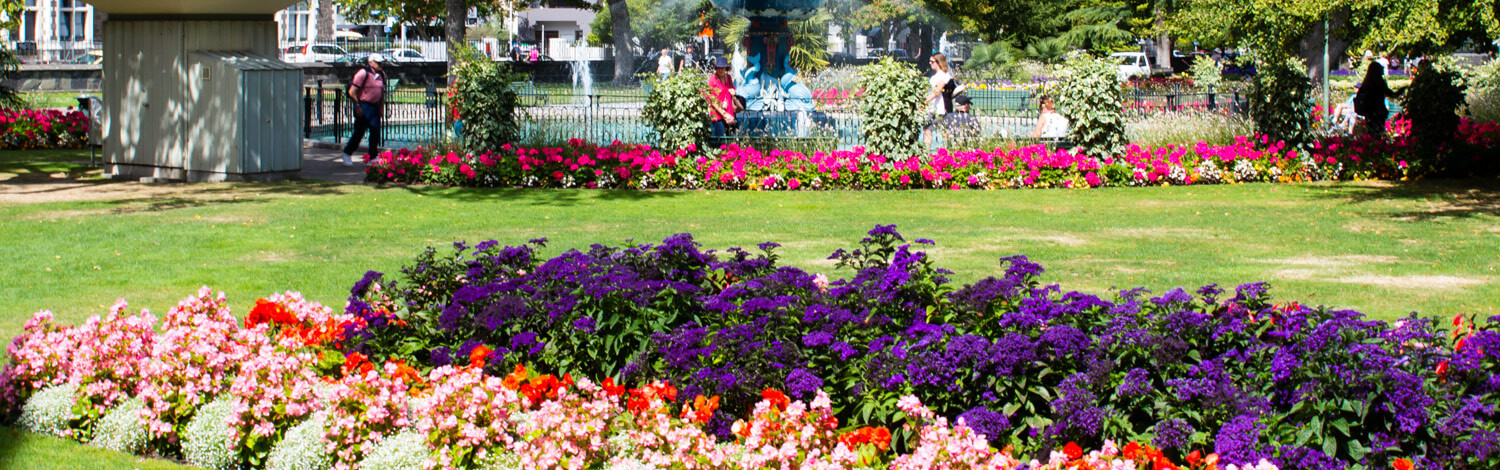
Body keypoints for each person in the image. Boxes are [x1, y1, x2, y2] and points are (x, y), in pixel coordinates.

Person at [342, 54, 386, 166]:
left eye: (381, 62)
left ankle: (373, 157)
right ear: (371, 63)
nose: (380, 65)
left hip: (374, 106)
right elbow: (352, 91)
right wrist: (357, 106)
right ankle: (347, 152)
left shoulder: (382, 75)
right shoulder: (363, 73)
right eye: (378, 62)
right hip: (363, 105)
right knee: (359, 132)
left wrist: (381, 108)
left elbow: (382, 93)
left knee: (375, 132)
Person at [1353, 62, 1397, 137]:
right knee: (1379, 134)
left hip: (1369, 113)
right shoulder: (1380, 83)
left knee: (1371, 133)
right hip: (1378, 112)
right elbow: (1392, 94)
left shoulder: (1366, 84)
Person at [922, 52, 955, 145]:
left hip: (942, 108)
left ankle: (948, 152)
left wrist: (924, 102)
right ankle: (926, 153)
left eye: (932, 61)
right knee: (927, 129)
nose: (930, 63)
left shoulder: (944, 75)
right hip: (934, 108)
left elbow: (937, 91)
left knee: (944, 131)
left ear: (938, 62)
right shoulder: (935, 74)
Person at [703, 56, 738, 138]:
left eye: (722, 68)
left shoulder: (728, 78)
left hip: (729, 114)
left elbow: (732, 90)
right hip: (718, 115)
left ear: (726, 68)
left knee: (731, 142)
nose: (720, 70)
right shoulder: (713, 79)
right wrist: (725, 115)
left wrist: (733, 92)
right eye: (718, 67)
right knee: (721, 142)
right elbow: (712, 101)